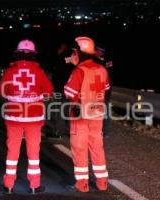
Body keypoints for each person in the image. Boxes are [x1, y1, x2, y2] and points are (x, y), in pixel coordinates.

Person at [0, 39, 53, 194]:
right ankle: (34, 186)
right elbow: (49, 90)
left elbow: (1, 91)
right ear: (33, 55)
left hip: (13, 117)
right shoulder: (39, 71)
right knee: (33, 152)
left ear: (17, 54)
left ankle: (8, 185)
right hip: (34, 118)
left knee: (12, 151)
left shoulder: (10, 71)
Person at [64, 36, 110, 192]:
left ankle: (82, 184)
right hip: (97, 114)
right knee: (97, 147)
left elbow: (69, 92)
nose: (73, 55)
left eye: (75, 52)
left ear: (80, 53)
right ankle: (102, 182)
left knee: (79, 148)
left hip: (80, 115)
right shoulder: (102, 69)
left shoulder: (79, 71)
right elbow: (106, 88)